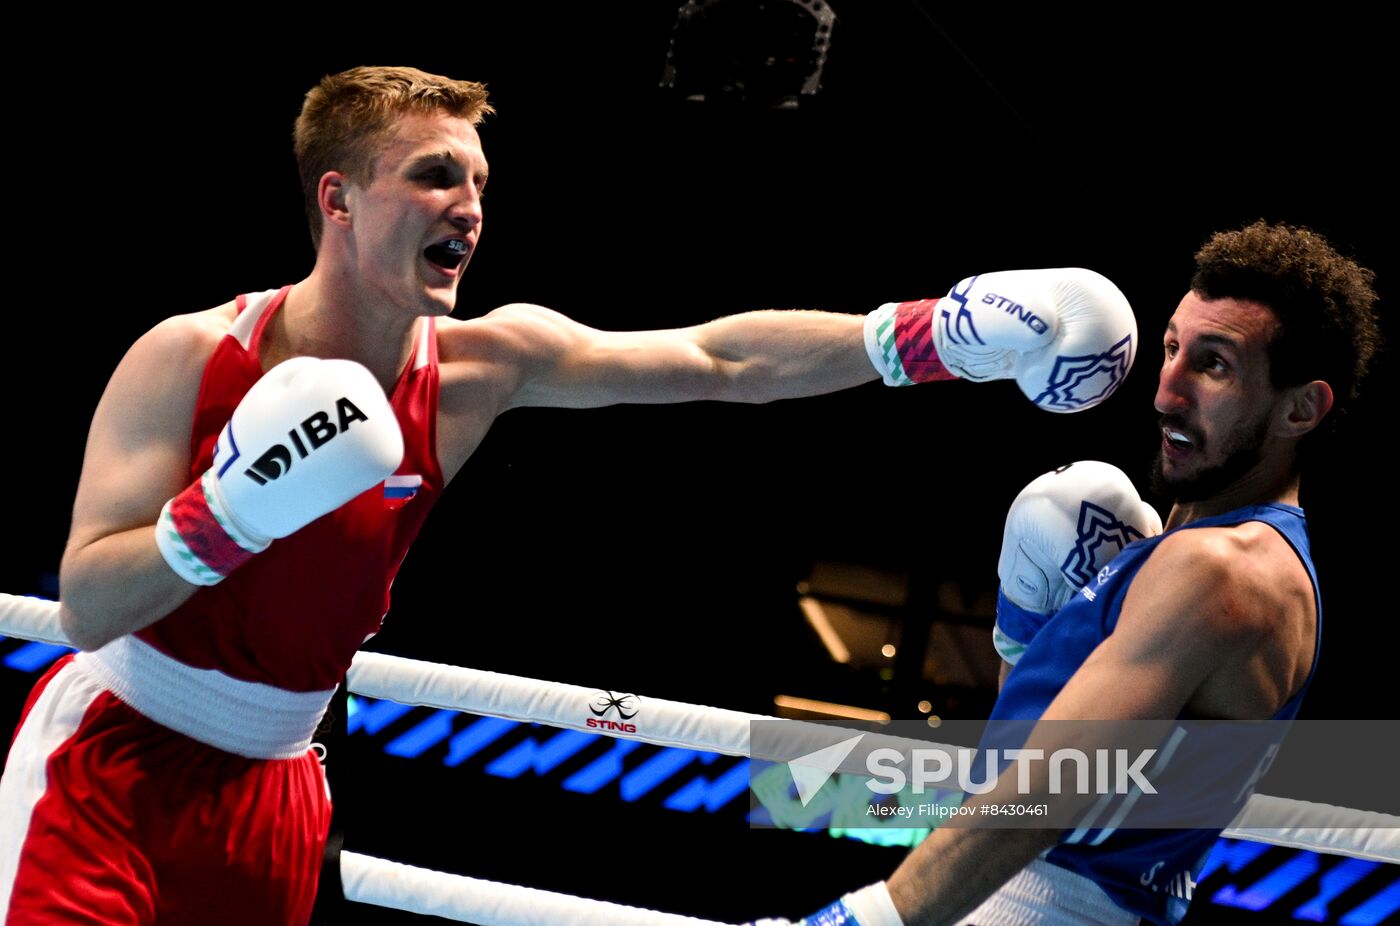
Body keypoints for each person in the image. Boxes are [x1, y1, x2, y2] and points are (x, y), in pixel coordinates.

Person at [0, 66, 1136, 924]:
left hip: (279, 787)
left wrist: (929, 339)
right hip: (115, 760)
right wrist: (227, 513)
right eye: (436, 174)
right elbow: (91, 603)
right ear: (337, 198)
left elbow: (715, 361)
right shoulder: (190, 356)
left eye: (480, 181)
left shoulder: (478, 368)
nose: (470, 204)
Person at [774, 220, 1380, 925]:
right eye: (1172, 348)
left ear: (1301, 408)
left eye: (1213, 366)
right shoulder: (1206, 560)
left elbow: (1048, 790)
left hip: (1043, 899)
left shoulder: (1222, 569)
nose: (1165, 393)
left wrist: (874, 918)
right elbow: (1022, 753)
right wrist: (1024, 627)